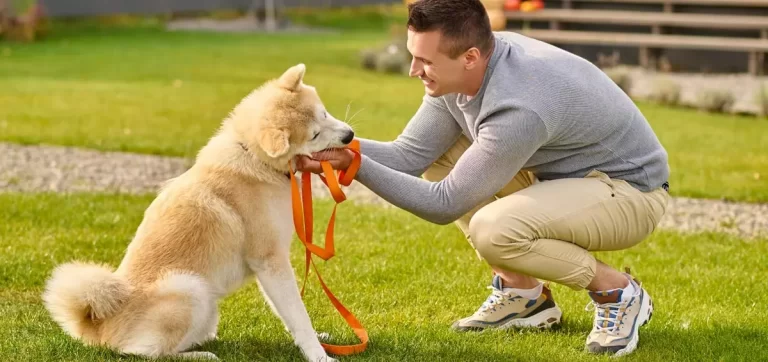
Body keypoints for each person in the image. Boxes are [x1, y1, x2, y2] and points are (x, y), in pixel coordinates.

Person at [296, 0, 670, 356]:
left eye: (425, 61)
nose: (413, 70)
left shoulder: (519, 106)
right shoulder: (463, 71)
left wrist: (355, 164)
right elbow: (410, 156)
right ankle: (524, 297)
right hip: (567, 179)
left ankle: (618, 293)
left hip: (629, 192)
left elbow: (444, 203)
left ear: (470, 57)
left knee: (495, 230)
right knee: (444, 152)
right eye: (414, 56)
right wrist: (320, 144)